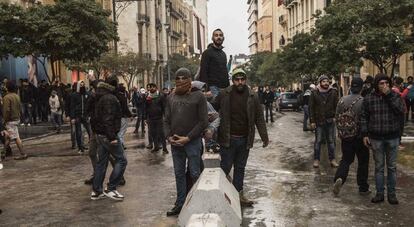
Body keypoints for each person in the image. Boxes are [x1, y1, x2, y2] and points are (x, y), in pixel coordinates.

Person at [214, 68, 269, 206]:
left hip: (245, 139)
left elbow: (259, 118)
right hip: (228, 139)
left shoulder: (252, 96)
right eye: (237, 79)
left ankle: (238, 195)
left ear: (245, 80)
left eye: (242, 79)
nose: (240, 82)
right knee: (225, 167)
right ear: (233, 81)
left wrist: (264, 137)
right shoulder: (224, 94)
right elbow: (212, 109)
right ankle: (221, 194)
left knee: (240, 168)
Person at [164, 68, 208, 216]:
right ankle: (180, 203)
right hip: (176, 143)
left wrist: (188, 138)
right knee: (179, 174)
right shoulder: (171, 97)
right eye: (178, 78)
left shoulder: (199, 96)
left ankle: (197, 202)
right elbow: (166, 120)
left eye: (184, 78)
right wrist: (169, 137)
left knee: (195, 173)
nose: (181, 81)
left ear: (190, 80)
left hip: (192, 142)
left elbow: (203, 122)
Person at [361, 74, 404, 205]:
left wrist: (389, 95)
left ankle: (392, 194)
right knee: (379, 167)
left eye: (386, 83)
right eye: (381, 83)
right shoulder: (369, 98)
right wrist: (365, 134)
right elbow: (364, 117)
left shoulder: (395, 96)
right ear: (376, 85)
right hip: (376, 138)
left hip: (392, 137)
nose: (384, 85)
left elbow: (400, 111)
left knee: (391, 167)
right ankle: (379, 194)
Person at [333, 78, 370, 196]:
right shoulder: (363, 101)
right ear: (361, 87)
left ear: (350, 86)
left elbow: (337, 117)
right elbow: (366, 119)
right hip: (360, 136)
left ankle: (339, 178)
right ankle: (363, 187)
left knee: (346, 159)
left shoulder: (342, 100)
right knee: (363, 162)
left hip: (346, 136)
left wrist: (340, 132)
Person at [92, 79, 127, 201]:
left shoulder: (100, 96)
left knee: (102, 162)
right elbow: (108, 119)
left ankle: (97, 191)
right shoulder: (109, 98)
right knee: (122, 160)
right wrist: (112, 137)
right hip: (107, 135)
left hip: (100, 134)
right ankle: (111, 188)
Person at [309, 75, 339, 168]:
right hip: (319, 121)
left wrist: (335, 117)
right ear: (320, 82)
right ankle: (316, 160)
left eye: (327, 81)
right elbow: (311, 108)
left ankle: (332, 160)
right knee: (318, 141)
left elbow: (337, 106)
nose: (326, 83)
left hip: (330, 120)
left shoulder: (333, 92)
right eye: (324, 81)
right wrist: (312, 121)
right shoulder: (314, 93)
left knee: (331, 141)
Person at [198, 29, 229, 96]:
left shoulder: (223, 54)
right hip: (212, 88)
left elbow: (225, 71)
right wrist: (206, 89)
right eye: (216, 35)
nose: (218, 37)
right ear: (212, 38)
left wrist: (228, 87)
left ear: (223, 38)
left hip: (224, 88)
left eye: (220, 35)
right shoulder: (207, 53)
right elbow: (203, 72)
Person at [3, 81, 27, 160]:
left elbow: (6, 110)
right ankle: (3, 153)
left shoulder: (7, 97)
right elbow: (20, 108)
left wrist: (4, 120)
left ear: (7, 88)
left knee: (13, 137)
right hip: (16, 118)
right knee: (10, 137)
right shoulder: (17, 96)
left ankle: (22, 153)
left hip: (10, 120)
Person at [70, 80, 91, 154]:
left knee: (90, 132)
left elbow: (90, 105)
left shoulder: (87, 94)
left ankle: (92, 147)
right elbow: (72, 106)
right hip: (77, 116)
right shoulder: (74, 95)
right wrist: (72, 117)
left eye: (83, 85)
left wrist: (89, 115)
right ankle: (80, 148)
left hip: (85, 116)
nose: (82, 86)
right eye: (81, 85)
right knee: (78, 133)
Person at [145, 83, 167, 153]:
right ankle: (156, 147)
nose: (151, 88)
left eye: (153, 87)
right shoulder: (147, 96)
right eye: (150, 87)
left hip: (159, 117)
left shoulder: (161, 96)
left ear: (156, 88)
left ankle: (164, 147)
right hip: (151, 118)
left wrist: (164, 116)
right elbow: (145, 108)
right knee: (153, 133)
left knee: (161, 133)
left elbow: (164, 107)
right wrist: (146, 118)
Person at [115, 83, 132, 149]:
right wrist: (130, 115)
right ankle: (121, 144)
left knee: (119, 130)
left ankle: (120, 143)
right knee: (122, 131)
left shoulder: (115, 96)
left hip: (117, 116)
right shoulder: (123, 97)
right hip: (123, 116)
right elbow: (125, 108)